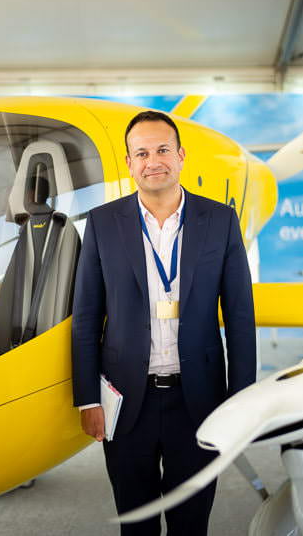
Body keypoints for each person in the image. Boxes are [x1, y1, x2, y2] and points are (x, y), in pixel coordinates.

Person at [71, 110, 256, 535]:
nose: (152, 161)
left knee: (191, 523)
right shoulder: (102, 223)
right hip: (124, 400)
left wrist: (242, 402)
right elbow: (85, 319)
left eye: (161, 150)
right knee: (135, 525)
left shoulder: (220, 221)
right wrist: (88, 399)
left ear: (181, 156)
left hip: (199, 401)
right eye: (141, 153)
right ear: (130, 163)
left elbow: (241, 320)